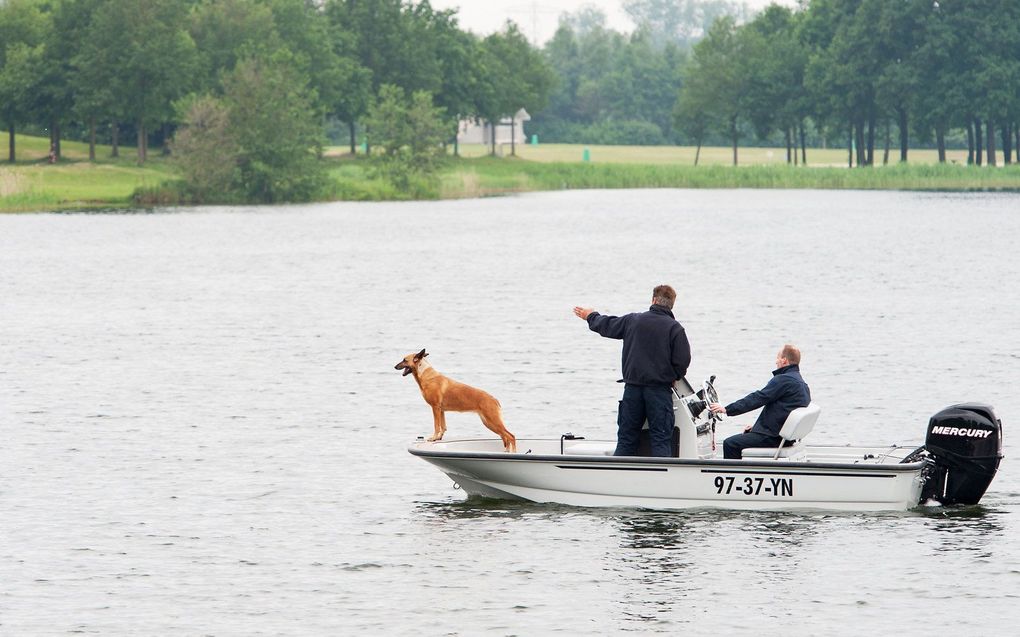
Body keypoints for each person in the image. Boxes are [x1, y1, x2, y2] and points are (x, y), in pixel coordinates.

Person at [574, 285, 691, 457]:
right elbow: (682, 361)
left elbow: (608, 326)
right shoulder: (675, 329)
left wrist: (590, 316)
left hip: (632, 390)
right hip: (659, 392)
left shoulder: (633, 321)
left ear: (653, 300)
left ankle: (617, 477)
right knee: (660, 439)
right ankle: (662, 479)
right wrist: (674, 376)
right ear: (672, 304)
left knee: (626, 440)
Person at [709, 344, 811, 460]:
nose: (776, 361)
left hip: (774, 438)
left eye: (777, 358)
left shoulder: (784, 380)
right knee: (743, 436)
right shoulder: (801, 383)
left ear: (784, 360)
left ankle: (735, 477)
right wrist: (757, 428)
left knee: (730, 444)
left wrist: (727, 409)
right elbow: (784, 412)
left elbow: (758, 398)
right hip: (783, 437)